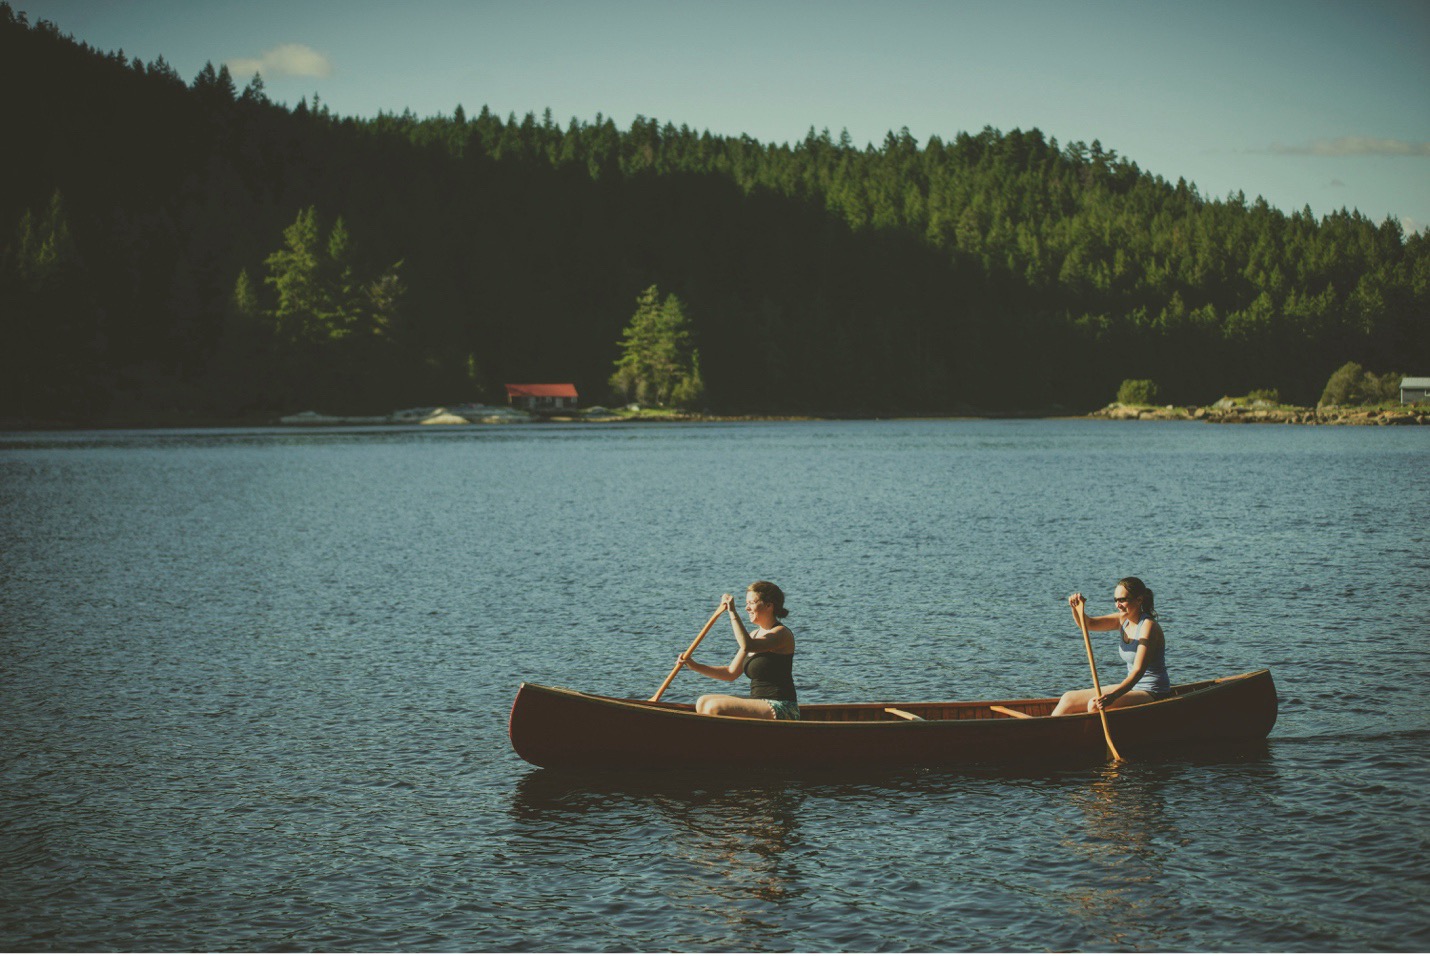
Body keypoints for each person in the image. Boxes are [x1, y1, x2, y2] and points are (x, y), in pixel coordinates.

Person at [678, 580, 800, 719]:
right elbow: (730, 673)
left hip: (782, 707)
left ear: (769, 606)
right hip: (758, 703)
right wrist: (694, 665)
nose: (747, 608)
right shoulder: (753, 635)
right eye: (746, 603)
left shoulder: (781, 634)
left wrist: (732, 612)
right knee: (703, 702)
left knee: (714, 707)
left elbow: (748, 645)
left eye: (751, 603)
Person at [1052, 576, 1172, 716]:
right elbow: (1088, 624)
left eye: (1122, 600)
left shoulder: (1148, 626)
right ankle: (1047, 733)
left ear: (1139, 599)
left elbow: (1138, 671)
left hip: (1153, 692)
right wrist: (1077, 609)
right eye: (1116, 600)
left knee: (1094, 705)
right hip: (1133, 689)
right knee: (1068, 698)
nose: (1117, 605)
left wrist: (1113, 696)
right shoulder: (1122, 620)